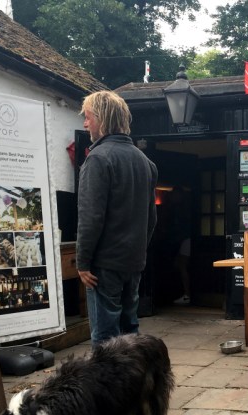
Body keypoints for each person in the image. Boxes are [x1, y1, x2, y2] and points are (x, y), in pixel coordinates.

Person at [76, 90, 158, 347]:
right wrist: (138, 252)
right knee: (130, 332)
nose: (85, 124)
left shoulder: (98, 158)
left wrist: (82, 262)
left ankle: (107, 388)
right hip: (132, 262)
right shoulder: (146, 163)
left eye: (88, 117)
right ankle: (134, 386)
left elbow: (91, 217)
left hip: (104, 264)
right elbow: (151, 218)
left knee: (105, 337)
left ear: (101, 118)